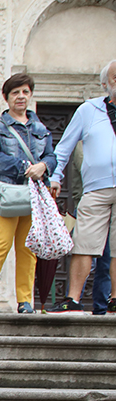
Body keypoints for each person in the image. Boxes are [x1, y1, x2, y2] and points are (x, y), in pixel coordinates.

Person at [0, 73, 57, 314]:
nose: (20, 97)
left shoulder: (41, 128)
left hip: (32, 194)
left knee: (28, 249)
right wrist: (24, 168)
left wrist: (44, 167)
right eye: (15, 93)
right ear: (6, 97)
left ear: (30, 95)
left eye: (25, 92)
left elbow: (51, 156)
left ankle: (25, 301)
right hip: (4, 193)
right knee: (0, 246)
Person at [47, 60, 116, 314]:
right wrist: (55, 177)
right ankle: (73, 299)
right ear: (104, 84)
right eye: (115, 77)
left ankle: (115, 299)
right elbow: (63, 148)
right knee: (83, 243)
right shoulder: (88, 110)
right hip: (95, 189)